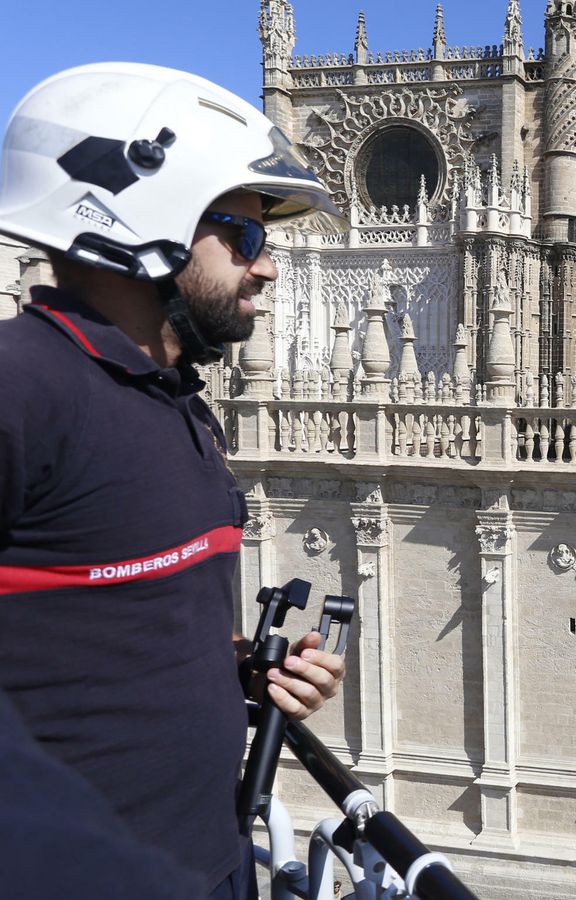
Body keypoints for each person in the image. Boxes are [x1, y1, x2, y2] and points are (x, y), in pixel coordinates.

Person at [0, 63, 350, 898]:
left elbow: (92, 619)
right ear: (139, 221)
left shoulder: (178, 403)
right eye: (246, 236)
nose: (266, 269)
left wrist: (238, 667)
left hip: (211, 861)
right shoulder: (23, 388)